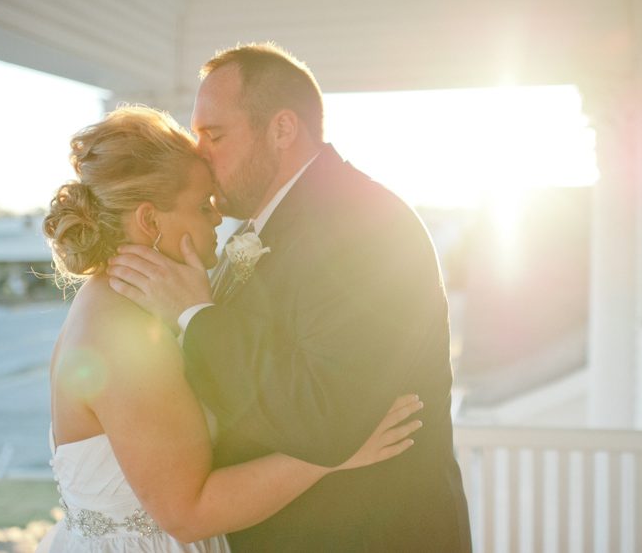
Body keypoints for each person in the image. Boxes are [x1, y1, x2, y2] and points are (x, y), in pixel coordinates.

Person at [108, 44, 472, 551]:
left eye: (214, 135)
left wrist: (196, 316)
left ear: (281, 129)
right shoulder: (253, 231)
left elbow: (326, 415)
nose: (200, 155)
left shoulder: (364, 223)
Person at [36, 106, 424, 553]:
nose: (218, 218)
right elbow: (188, 512)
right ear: (150, 221)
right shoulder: (121, 331)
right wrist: (332, 455)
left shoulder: (121, 302)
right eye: (202, 205)